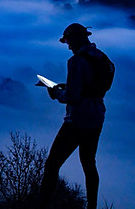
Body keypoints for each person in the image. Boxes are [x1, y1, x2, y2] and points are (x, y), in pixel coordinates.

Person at [38, 23, 115, 209]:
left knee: (52, 164)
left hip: (77, 121)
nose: (68, 46)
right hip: (97, 117)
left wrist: (56, 93)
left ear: (73, 40)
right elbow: (93, 87)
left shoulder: (75, 62)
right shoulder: (102, 58)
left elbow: (73, 97)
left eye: (68, 42)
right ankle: (92, 206)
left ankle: (42, 205)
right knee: (89, 163)